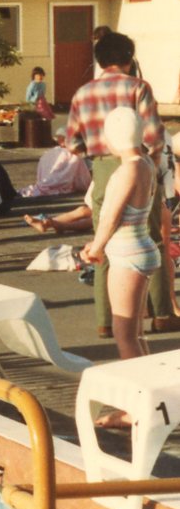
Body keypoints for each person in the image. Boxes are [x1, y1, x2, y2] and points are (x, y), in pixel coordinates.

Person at [65, 31, 176, 336]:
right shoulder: (139, 87)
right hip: (137, 163)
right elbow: (153, 135)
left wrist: (95, 156)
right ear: (129, 58)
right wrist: (149, 166)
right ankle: (162, 314)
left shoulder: (82, 93)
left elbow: (72, 142)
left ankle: (106, 319)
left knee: (105, 237)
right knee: (150, 236)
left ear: (100, 60)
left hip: (102, 168)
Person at [81, 107, 161, 388]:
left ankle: (138, 405)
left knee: (124, 333)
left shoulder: (129, 169)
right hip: (140, 247)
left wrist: (95, 247)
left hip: (127, 254)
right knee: (136, 334)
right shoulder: (146, 163)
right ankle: (154, 395)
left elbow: (111, 216)